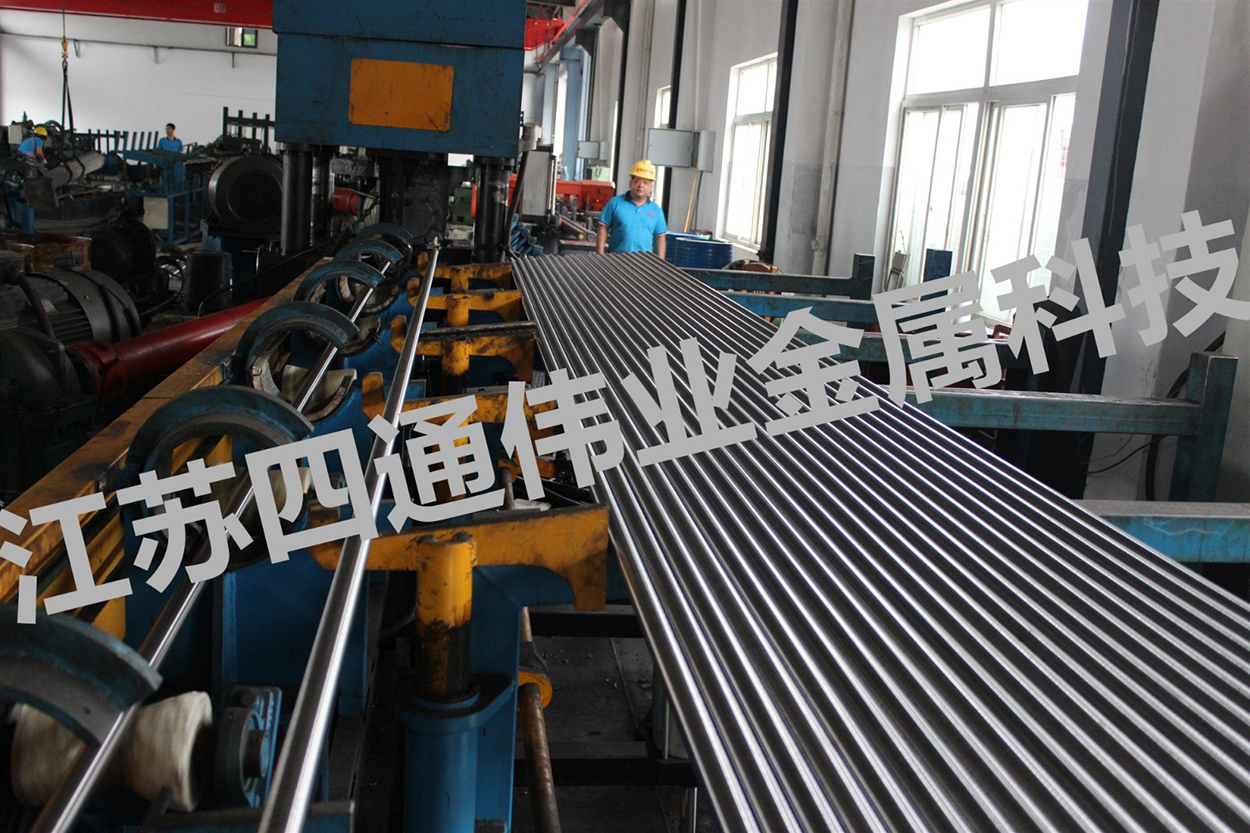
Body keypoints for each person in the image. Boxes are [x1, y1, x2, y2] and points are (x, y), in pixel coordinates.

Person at [596, 159, 667, 258]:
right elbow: (603, 228)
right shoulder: (615, 203)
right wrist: (600, 256)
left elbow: (660, 237)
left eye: (645, 182)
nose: (641, 185)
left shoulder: (656, 210)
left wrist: (661, 262)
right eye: (637, 181)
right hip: (616, 260)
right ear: (630, 183)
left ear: (651, 187)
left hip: (644, 262)